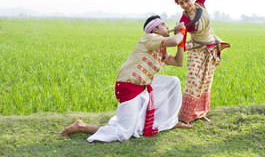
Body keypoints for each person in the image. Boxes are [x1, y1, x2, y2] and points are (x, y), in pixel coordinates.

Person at [61, 15, 192, 142]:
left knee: (173, 82)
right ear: (155, 30)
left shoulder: (161, 50)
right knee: (123, 134)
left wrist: (181, 40)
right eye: (163, 25)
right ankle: (81, 126)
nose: (167, 26)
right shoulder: (150, 38)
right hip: (128, 86)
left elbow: (178, 61)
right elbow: (174, 41)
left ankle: (169, 121)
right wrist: (181, 30)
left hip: (142, 86)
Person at [174, 0, 230, 124]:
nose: (185, 5)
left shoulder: (201, 4)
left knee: (206, 81)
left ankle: (200, 113)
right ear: (178, 3)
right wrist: (177, 35)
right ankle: (185, 118)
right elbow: (182, 40)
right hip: (196, 49)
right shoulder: (183, 19)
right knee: (193, 81)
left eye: (187, 1)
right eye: (181, 3)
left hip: (210, 48)